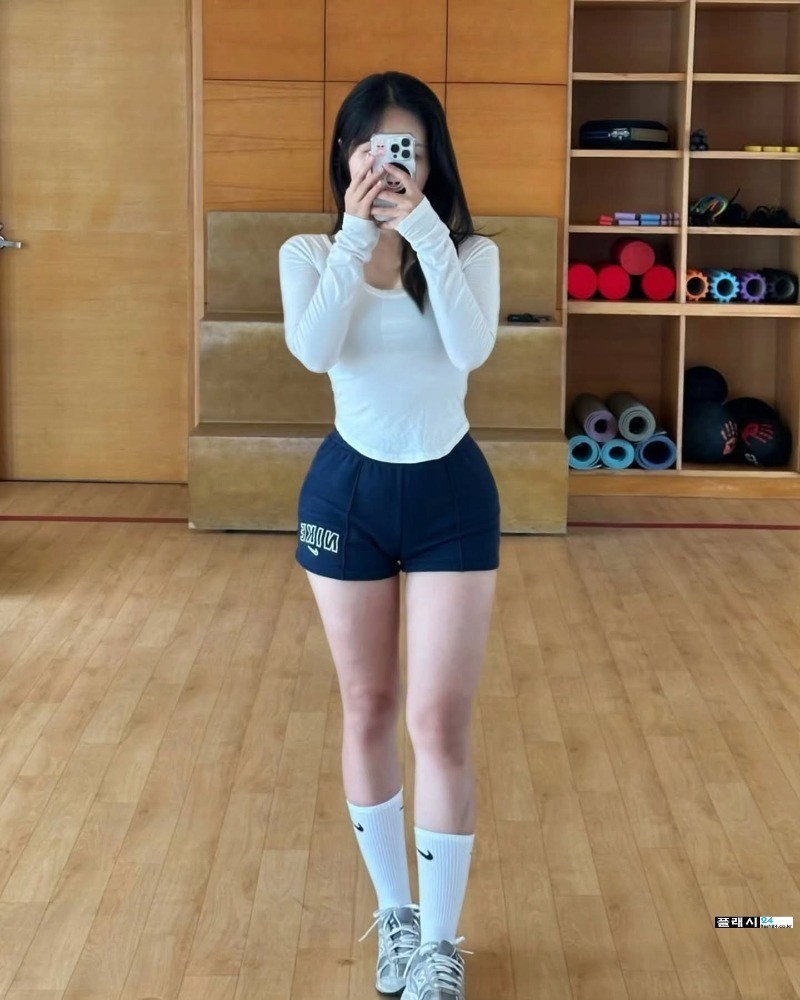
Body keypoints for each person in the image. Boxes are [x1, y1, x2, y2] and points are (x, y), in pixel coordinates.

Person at [278, 71, 501, 1000]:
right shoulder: (308, 251)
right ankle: (397, 919)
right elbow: (313, 350)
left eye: (406, 147)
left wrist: (423, 231)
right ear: (345, 155)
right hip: (350, 493)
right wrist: (355, 233)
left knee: (438, 720)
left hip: (450, 489)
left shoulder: (469, 251)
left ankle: (441, 945)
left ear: (432, 156)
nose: (389, 164)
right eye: (372, 147)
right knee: (368, 706)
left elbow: (471, 348)